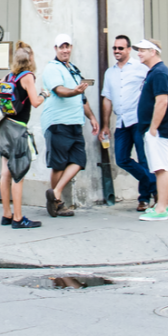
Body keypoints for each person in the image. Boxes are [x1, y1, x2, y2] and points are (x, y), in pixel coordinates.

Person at [0, 43, 46, 229]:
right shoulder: (27, 77)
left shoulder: (9, 76)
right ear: (29, 60)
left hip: (4, 126)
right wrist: (45, 94)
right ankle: (18, 218)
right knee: (18, 174)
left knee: (5, 173)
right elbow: (35, 102)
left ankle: (6, 215)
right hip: (18, 129)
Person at [41, 34, 99, 218]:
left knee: (79, 160)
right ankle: (55, 203)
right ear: (55, 49)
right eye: (61, 47)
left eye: (67, 47)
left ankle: (55, 193)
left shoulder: (73, 69)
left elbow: (82, 98)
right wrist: (74, 90)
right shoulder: (52, 68)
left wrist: (91, 117)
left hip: (75, 123)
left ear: (71, 48)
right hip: (58, 123)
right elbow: (59, 90)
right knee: (58, 165)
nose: (65, 50)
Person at [101, 35, 156, 212]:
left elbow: (153, 88)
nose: (116, 51)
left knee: (144, 159)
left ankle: (144, 198)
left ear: (128, 49)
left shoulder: (141, 68)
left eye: (120, 48)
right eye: (114, 48)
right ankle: (153, 182)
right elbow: (107, 99)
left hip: (138, 121)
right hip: (121, 122)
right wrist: (105, 125)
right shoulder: (110, 73)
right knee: (121, 159)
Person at [132, 39, 168, 222]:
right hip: (157, 130)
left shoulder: (159, 73)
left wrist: (152, 128)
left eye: (142, 50)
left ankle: (160, 209)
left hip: (157, 131)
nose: (139, 53)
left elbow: (162, 101)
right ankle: (165, 205)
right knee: (163, 168)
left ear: (153, 52)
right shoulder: (156, 72)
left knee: (160, 168)